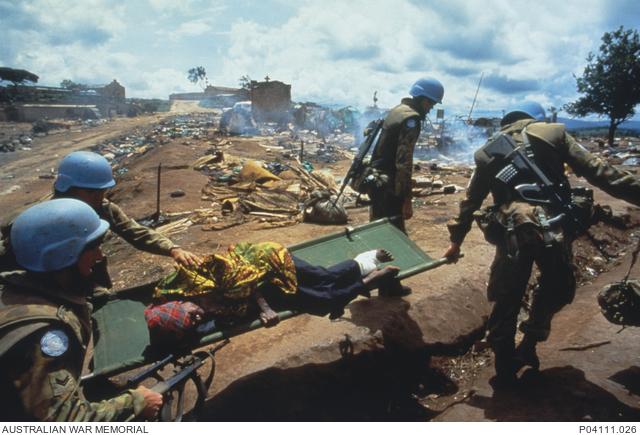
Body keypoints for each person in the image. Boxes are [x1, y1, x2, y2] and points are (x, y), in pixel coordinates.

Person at [443, 101, 640, 387]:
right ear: (536, 118)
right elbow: (600, 173)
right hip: (552, 226)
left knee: (506, 295)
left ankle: (504, 365)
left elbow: (470, 202)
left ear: (507, 121)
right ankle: (531, 340)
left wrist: (455, 241)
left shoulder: (485, 153)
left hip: (512, 230)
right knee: (559, 285)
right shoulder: (553, 133)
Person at [0, 199, 163, 421]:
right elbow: (63, 423)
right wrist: (134, 402)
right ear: (62, 255)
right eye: (92, 247)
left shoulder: (11, 290)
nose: (99, 256)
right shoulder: (45, 334)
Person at [0, 151, 202, 286]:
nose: (99, 198)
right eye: (91, 192)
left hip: (85, 274)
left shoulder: (101, 207)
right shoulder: (33, 221)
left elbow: (134, 231)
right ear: (67, 188)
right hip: (42, 285)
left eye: (102, 192)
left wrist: (172, 249)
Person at [148, 242, 400, 336]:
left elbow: (245, 278)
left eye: (193, 314)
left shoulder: (194, 277)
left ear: (180, 303)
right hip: (264, 286)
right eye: (195, 322)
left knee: (321, 277)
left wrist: (265, 309)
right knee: (323, 300)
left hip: (265, 261)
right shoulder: (180, 308)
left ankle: (366, 260)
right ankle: (368, 279)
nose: (199, 317)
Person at [369, 77, 444, 234]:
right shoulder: (411, 119)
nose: (430, 108)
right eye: (431, 103)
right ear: (423, 99)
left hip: (377, 181)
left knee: (377, 231)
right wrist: (406, 199)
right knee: (394, 238)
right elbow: (403, 162)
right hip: (390, 186)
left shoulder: (398, 110)